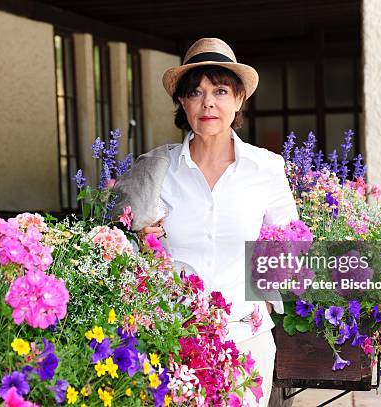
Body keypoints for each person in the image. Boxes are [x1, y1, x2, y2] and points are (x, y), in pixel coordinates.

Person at [117, 38, 298, 406]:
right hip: (173, 340)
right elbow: (118, 241)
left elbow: (291, 244)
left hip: (246, 343)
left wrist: (265, 298)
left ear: (239, 99)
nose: (208, 103)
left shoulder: (265, 169)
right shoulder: (156, 169)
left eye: (220, 91)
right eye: (196, 93)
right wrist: (138, 237)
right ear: (183, 102)